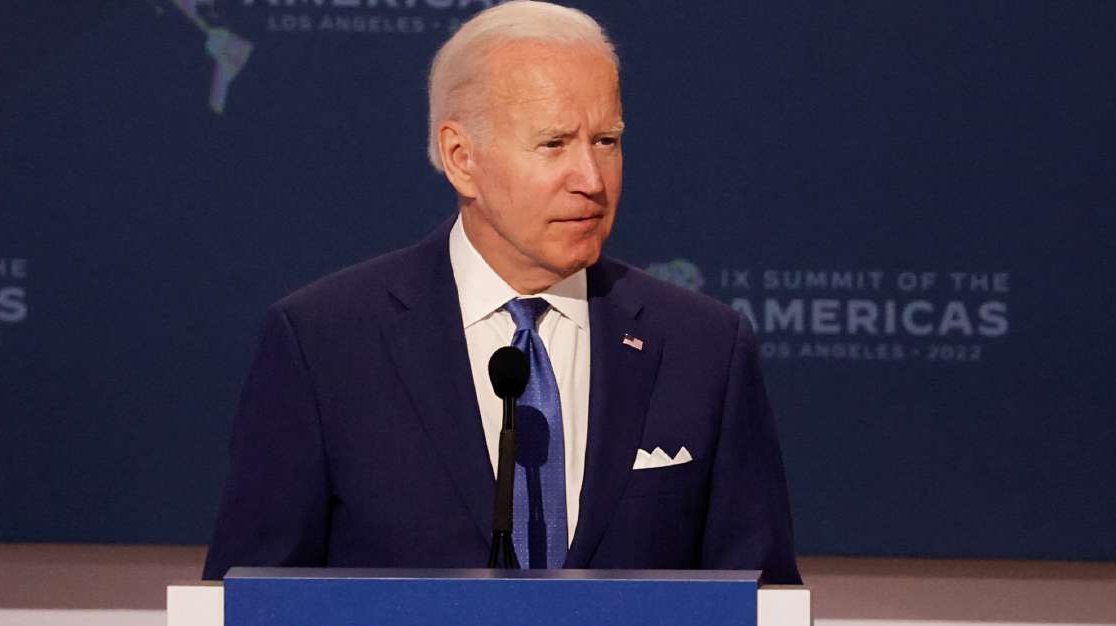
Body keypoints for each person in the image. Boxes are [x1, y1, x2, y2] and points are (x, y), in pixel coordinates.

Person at [202, 1, 801, 584]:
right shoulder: (325, 344)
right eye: (554, 144)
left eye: (606, 141)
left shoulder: (703, 348)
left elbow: (768, 621)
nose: (591, 181)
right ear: (462, 158)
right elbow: (250, 618)